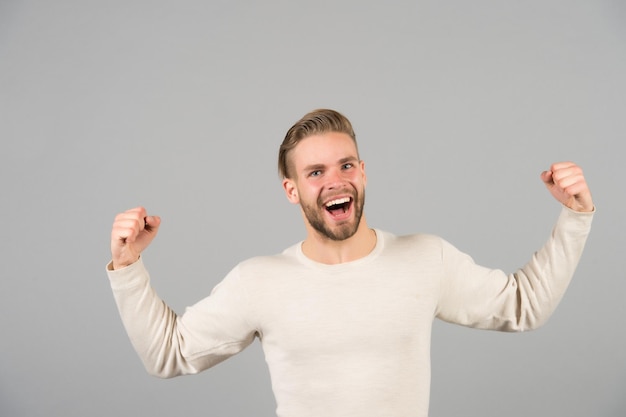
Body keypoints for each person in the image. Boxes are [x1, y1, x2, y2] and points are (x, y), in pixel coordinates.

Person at [107, 109, 594, 417]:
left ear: (362, 172)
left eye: (345, 165)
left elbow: (524, 305)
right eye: (315, 172)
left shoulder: (424, 258)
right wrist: (128, 267)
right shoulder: (259, 281)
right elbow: (167, 354)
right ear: (292, 191)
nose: (335, 180)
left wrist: (575, 217)